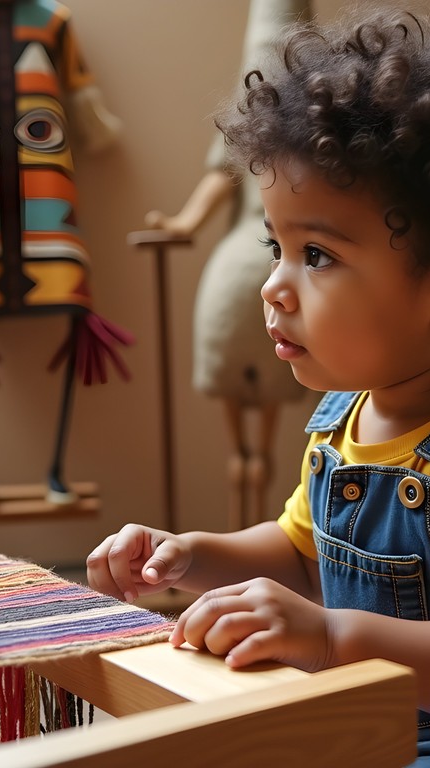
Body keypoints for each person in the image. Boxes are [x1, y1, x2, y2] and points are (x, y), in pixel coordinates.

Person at [88, 6, 430, 766]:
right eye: (275, 246)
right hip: (390, 726)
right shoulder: (344, 419)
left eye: (316, 255)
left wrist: (329, 635)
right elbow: (304, 551)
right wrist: (191, 556)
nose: (274, 287)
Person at [142, 0, 311, 531]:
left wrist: (182, 224)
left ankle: (247, 544)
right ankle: (251, 545)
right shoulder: (314, 133)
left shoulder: (257, 120)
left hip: (238, 270)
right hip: (274, 270)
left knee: (241, 441)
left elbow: (215, 186)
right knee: (260, 441)